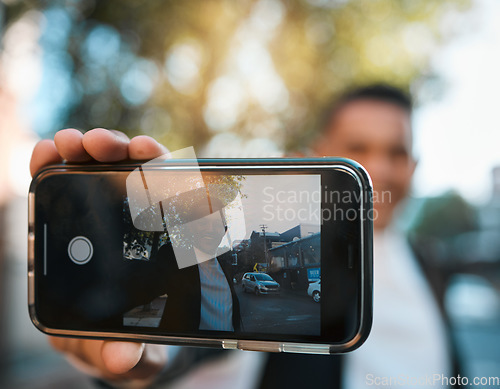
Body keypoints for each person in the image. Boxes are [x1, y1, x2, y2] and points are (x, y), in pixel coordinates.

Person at [29, 84, 460, 388]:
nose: (378, 170)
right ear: (311, 157)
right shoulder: (277, 242)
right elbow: (203, 313)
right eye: (358, 148)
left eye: (396, 152)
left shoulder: (432, 263)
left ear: (415, 166)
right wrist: (149, 360)